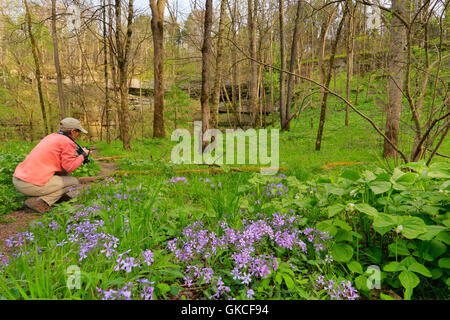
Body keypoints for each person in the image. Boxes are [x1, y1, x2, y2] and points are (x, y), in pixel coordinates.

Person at [12, 117, 90, 214]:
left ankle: (58, 197)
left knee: (65, 174)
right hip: (29, 185)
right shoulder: (67, 142)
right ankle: (39, 201)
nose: (79, 135)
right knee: (73, 182)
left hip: (19, 180)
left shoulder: (52, 137)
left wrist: (77, 157)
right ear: (73, 131)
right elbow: (70, 167)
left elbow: (60, 160)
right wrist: (83, 155)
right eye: (79, 132)